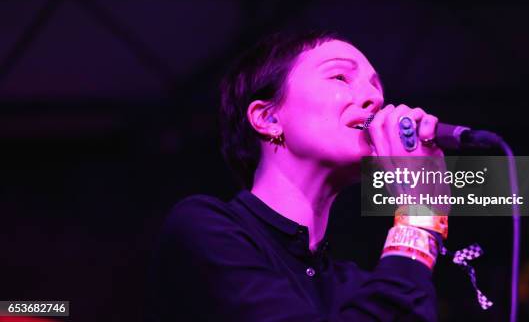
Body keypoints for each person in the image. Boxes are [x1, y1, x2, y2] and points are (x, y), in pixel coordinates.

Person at [145, 31, 448, 321]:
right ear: (268, 118)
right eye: (340, 76)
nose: (374, 99)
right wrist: (419, 217)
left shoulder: (356, 285)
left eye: (376, 87)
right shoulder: (203, 229)